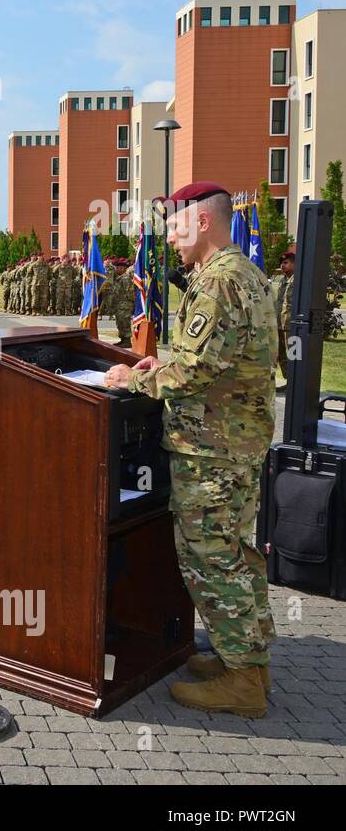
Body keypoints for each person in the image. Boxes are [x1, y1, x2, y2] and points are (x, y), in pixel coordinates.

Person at [105, 182, 276, 718]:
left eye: (176, 227)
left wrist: (131, 380)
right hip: (236, 442)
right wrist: (162, 365)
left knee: (211, 558)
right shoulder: (242, 274)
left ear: (202, 223)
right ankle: (245, 660)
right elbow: (213, 359)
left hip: (213, 450)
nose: (170, 239)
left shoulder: (219, 283)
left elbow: (199, 368)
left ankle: (245, 682)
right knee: (236, 554)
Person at [271, 250, 295, 387]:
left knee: (293, 355)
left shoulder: (299, 280)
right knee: (281, 354)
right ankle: (289, 382)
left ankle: (295, 383)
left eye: (286, 263)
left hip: (292, 326)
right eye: (281, 263)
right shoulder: (282, 280)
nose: (282, 266)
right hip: (280, 324)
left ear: (294, 264)